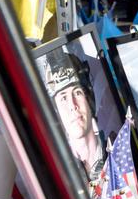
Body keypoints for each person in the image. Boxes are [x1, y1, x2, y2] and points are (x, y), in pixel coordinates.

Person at [43, 51, 103, 179]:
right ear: (55, 111)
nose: (72, 105)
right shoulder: (58, 173)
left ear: (89, 98)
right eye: (63, 98)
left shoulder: (116, 149)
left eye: (77, 93)